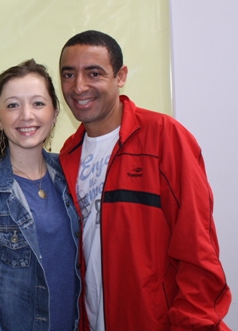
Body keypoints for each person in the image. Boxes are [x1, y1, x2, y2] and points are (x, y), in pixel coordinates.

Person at [58, 30, 231, 331]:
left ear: (121, 76)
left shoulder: (164, 137)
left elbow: (197, 248)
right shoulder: (68, 154)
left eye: (94, 73)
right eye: (69, 74)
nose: (79, 86)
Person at [0, 59, 81, 331]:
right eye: (13, 105)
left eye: (38, 103)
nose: (26, 115)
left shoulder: (70, 173)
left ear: (54, 113)